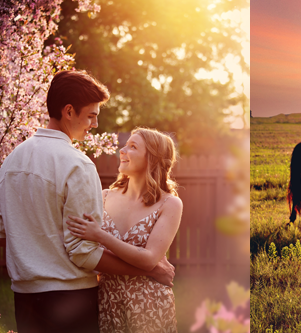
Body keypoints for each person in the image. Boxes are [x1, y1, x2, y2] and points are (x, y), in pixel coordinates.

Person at [0, 70, 174, 333]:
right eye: (91, 116)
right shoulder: (77, 164)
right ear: (69, 111)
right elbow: (83, 252)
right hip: (70, 301)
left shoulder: (10, 162)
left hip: (23, 299)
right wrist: (147, 270)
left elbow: (5, 231)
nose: (94, 125)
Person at [66, 128, 184, 332]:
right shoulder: (103, 196)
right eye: (125, 144)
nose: (122, 150)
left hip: (149, 303)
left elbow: (149, 259)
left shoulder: (170, 203)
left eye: (133, 146)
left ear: (153, 158)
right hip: (108, 300)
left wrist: (99, 235)